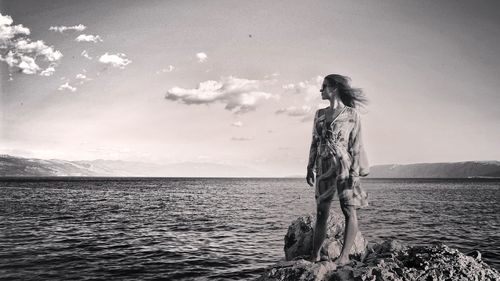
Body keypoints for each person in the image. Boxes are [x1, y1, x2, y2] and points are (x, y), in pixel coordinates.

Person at [306, 74, 370, 265]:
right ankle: (315, 255)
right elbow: (314, 142)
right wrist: (309, 166)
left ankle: (344, 257)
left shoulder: (352, 115)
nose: (321, 90)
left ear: (334, 88)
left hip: (345, 166)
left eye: (324, 86)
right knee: (321, 211)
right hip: (323, 165)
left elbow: (356, 145)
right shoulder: (319, 114)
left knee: (349, 210)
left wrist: (355, 173)